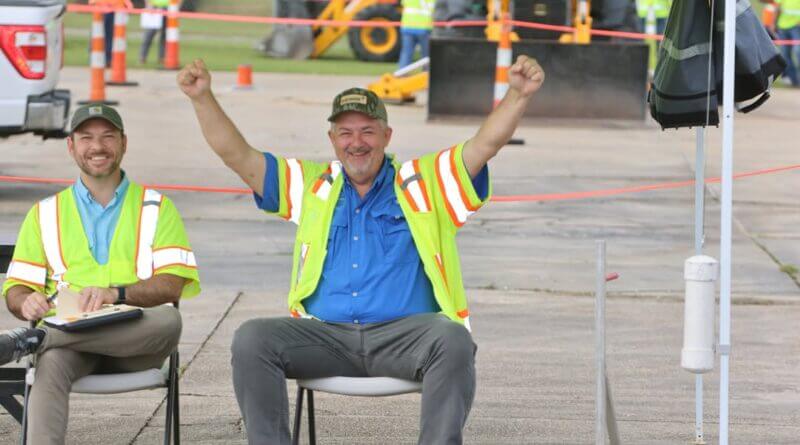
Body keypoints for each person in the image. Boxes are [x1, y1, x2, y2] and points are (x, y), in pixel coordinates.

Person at [178, 54, 544, 444]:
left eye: (368, 131)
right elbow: (238, 156)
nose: (357, 143)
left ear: (387, 137)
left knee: (452, 340)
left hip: (406, 337)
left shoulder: (424, 183)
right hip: (325, 337)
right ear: (332, 140)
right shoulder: (311, 185)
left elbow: (484, 145)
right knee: (252, 339)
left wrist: (518, 94)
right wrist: (202, 99)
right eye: (346, 132)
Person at [0, 104, 200, 445]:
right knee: (52, 363)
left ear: (123, 143)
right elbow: (16, 290)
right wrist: (27, 301)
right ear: (71, 146)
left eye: (108, 136)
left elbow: (173, 284)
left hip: (136, 344)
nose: (97, 146)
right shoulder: (44, 214)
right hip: (74, 349)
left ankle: (36, 339)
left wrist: (115, 294)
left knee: (170, 321)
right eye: (86, 137)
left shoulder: (157, 208)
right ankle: (46, 341)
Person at [398, 0, 435, 69]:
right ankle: (427, 75)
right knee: (426, 56)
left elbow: (403, 4)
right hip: (424, 27)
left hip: (408, 27)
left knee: (406, 54)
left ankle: (402, 75)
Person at [776, 0, 800, 86]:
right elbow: (777, 7)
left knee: (798, 52)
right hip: (782, 27)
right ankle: (795, 81)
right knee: (784, 55)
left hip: (797, 27)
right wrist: (774, 24)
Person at [139, 0, 169, 65]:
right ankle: (142, 57)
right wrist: (149, 5)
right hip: (154, 8)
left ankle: (162, 58)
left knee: (164, 37)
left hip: (168, 8)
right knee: (149, 35)